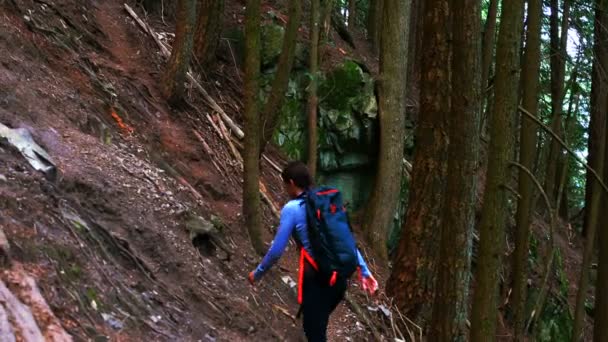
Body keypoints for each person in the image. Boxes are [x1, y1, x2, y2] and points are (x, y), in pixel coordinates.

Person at [248, 161, 378, 341]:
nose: (285, 188)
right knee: (316, 328)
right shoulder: (325, 204)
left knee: (314, 332)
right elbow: (344, 240)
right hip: (339, 281)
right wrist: (365, 271)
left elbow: (277, 250)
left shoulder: (292, 209)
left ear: (292, 183)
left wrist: (258, 273)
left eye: (285, 184)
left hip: (319, 281)